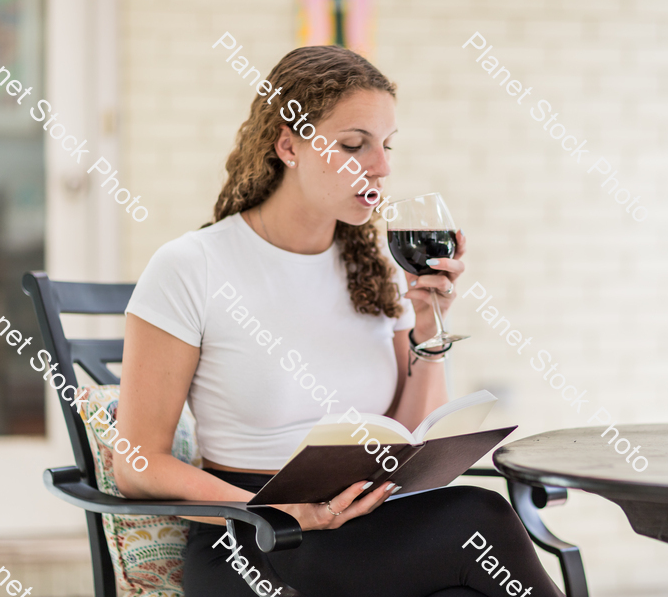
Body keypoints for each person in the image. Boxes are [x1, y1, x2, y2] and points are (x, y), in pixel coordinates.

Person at [114, 44, 565, 597]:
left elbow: (408, 439)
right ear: (288, 145)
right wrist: (284, 511)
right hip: (257, 538)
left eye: (387, 145)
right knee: (480, 517)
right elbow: (136, 465)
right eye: (355, 145)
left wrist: (428, 329)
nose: (381, 166)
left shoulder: (373, 267)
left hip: (364, 525)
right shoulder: (192, 266)